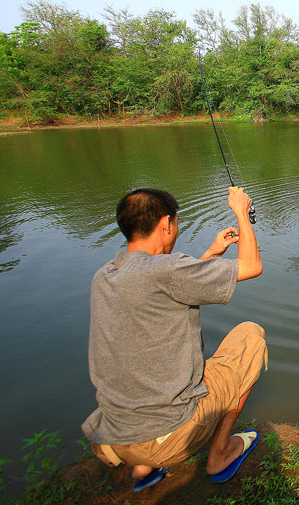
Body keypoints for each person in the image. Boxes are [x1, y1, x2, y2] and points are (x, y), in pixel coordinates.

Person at [82, 186, 265, 492]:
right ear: (166, 224)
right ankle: (219, 456)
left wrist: (212, 254)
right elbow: (252, 267)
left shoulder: (105, 276)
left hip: (111, 437)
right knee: (251, 337)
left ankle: (143, 468)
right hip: (167, 436)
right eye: (176, 224)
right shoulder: (167, 270)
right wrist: (241, 213)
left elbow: (167, 291)